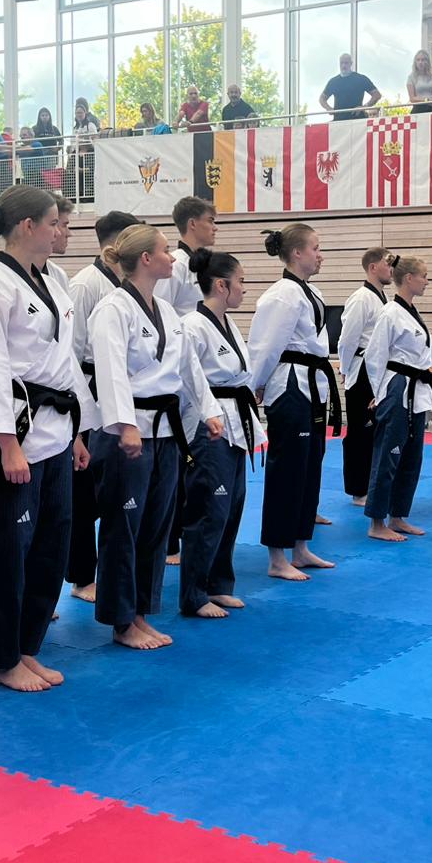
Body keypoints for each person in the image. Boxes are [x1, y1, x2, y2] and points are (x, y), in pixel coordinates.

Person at [0, 185, 93, 689]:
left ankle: (28, 646)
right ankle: (3, 658)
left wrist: (79, 431)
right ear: (28, 226)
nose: (60, 231)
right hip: (13, 434)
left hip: (56, 430)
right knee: (6, 553)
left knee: (50, 548)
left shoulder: (54, 279)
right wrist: (6, 442)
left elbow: (65, 362)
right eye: (54, 222)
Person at [89, 224, 222, 649]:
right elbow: (109, 369)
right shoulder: (113, 308)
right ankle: (121, 620)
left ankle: (141, 613)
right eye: (166, 250)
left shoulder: (165, 310)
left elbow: (188, 368)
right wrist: (125, 424)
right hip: (128, 432)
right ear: (146, 259)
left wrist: (209, 410)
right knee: (123, 528)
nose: (172, 258)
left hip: (165, 430)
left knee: (156, 527)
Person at [248, 223, 339, 580]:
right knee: (287, 471)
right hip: (290, 388)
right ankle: (277, 556)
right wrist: (254, 384)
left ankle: (300, 547)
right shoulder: (282, 295)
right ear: (297, 253)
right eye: (315, 248)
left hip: (312, 385)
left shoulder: (309, 291)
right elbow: (265, 345)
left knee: (310, 468)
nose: (320, 255)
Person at [180, 247, 260, 617]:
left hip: (235, 421)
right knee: (209, 509)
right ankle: (194, 594)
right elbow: (188, 382)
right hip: (208, 425)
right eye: (241, 281)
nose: (245, 287)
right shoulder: (192, 326)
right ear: (221, 285)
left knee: (232, 505)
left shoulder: (225, 322)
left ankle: (218, 584)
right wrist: (203, 418)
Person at [66, 209, 141, 604]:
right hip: (87, 391)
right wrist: (81, 416)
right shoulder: (85, 284)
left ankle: (116, 569)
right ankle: (82, 577)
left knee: (115, 490)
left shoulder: (130, 286)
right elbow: (71, 352)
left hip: (121, 390)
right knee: (83, 493)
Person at [154, 195, 220, 564]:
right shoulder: (176, 265)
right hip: (176, 374)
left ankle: (179, 534)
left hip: (196, 369)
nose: (215, 227)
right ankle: (169, 542)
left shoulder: (201, 265)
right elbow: (160, 317)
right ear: (192, 223)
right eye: (211, 220)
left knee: (190, 458)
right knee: (178, 459)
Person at [362, 254, 432, 542]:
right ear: (409, 278)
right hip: (397, 389)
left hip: (416, 390)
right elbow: (374, 356)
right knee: (388, 455)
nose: (427, 281)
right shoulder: (390, 313)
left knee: (411, 456)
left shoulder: (411, 311)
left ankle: (398, 516)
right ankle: (376, 522)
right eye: (424, 276)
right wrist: (379, 394)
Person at [338, 248, 391, 506]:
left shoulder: (384, 298)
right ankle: (359, 490)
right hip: (361, 371)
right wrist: (345, 368)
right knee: (361, 431)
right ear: (372, 267)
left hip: (378, 370)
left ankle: (373, 484)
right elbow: (347, 339)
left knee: (377, 432)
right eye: (387, 263)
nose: (391, 268)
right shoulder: (361, 298)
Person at [320, 54, 382, 121]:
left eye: (346, 63)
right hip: (338, 121)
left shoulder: (361, 79)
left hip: (358, 120)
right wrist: (328, 108)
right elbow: (322, 98)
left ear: (351, 63)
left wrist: (364, 107)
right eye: (341, 63)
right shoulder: (333, 82)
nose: (343, 65)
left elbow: (377, 95)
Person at [71, 98, 101, 202]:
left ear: (85, 113)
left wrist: (85, 143)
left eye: (81, 112)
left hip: (89, 152)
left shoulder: (90, 125)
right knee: (74, 172)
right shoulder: (75, 128)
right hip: (78, 152)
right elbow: (73, 142)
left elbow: (95, 139)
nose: (79, 115)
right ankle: (76, 195)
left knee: (88, 175)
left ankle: (89, 196)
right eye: (77, 113)